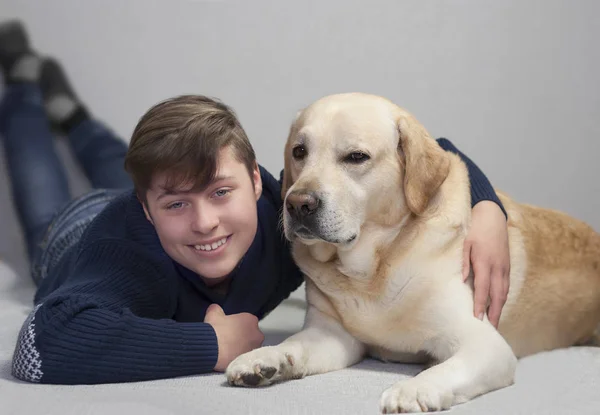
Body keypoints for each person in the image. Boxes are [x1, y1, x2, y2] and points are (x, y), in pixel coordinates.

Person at [0, 20, 510, 385]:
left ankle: (74, 116)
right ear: (146, 207)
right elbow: (38, 346)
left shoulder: (291, 211)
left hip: (149, 195)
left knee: (137, 164)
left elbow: (433, 151)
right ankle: (22, 85)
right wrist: (210, 346)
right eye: (178, 204)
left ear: (260, 178)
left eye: (222, 192)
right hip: (75, 235)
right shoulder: (127, 260)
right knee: (42, 193)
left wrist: (487, 208)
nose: (207, 223)